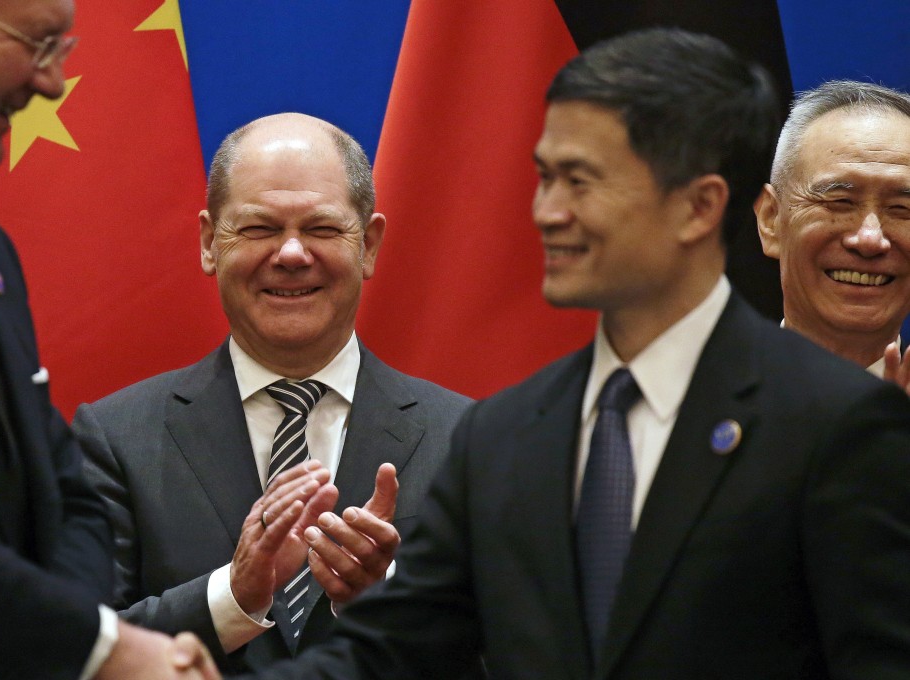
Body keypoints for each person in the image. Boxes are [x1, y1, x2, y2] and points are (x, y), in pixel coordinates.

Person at [233, 28, 910, 679]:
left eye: (585, 183)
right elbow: (390, 653)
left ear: (698, 208)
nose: (549, 213)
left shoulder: (842, 421)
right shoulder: (502, 435)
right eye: (547, 178)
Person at [71, 112, 474, 674]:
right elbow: (79, 652)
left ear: (369, 245)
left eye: (322, 229)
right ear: (211, 243)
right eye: (259, 228)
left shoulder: (470, 440)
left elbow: (519, 655)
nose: (290, 254)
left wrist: (386, 607)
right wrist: (232, 598)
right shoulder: (113, 439)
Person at [0, 0, 218, 678]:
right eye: (37, 45)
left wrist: (64, 645)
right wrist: (97, 650)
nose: (53, 84)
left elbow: (64, 494)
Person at [755, 80, 910, 389]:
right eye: (840, 202)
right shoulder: (690, 405)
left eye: (901, 208)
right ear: (771, 220)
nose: (869, 239)